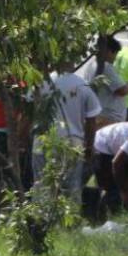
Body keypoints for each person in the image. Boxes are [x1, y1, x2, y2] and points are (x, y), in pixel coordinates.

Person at [36, 63, 102, 199]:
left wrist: (21, 138)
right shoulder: (83, 85)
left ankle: (41, 218)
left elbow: (27, 114)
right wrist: (89, 146)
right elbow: (91, 120)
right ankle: (68, 218)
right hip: (72, 142)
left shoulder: (42, 83)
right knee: (70, 189)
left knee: (42, 187)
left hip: (42, 142)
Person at [81, 35, 128, 126]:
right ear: (109, 52)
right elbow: (121, 90)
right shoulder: (106, 67)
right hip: (107, 118)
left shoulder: (91, 65)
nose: (115, 58)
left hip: (98, 114)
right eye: (115, 54)